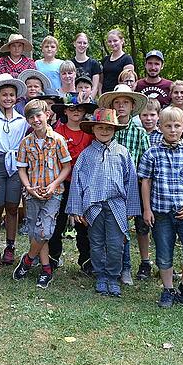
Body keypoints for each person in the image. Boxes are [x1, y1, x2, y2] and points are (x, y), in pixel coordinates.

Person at [137, 107, 183, 312]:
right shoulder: (152, 153)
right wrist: (147, 209)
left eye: (177, 126)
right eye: (168, 126)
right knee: (163, 254)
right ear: (160, 127)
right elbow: (146, 182)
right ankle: (168, 290)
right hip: (161, 213)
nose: (172, 130)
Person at [67, 108, 140, 296]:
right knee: (97, 242)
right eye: (100, 127)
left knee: (116, 243)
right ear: (93, 129)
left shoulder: (123, 153)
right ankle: (100, 275)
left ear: (115, 129)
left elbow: (131, 180)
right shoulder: (86, 154)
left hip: (116, 205)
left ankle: (113, 276)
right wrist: (76, 209)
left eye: (109, 128)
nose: (104, 131)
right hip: (93, 207)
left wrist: (131, 207)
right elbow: (76, 182)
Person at [13, 99, 72, 288]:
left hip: (52, 193)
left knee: (45, 231)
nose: (36, 120)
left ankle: (29, 259)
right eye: (31, 117)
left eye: (39, 115)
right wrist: (29, 187)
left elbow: (66, 166)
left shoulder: (57, 140)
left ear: (47, 115)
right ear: (28, 120)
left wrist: (54, 185)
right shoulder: (26, 143)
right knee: (35, 231)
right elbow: (22, 169)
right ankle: (46, 269)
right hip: (32, 193)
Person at [97, 85, 149, 283]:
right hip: (110, 187)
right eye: (117, 103)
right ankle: (113, 266)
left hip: (133, 186)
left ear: (132, 106)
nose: (121, 106)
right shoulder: (106, 129)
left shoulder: (139, 132)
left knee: (129, 227)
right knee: (113, 227)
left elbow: (146, 161)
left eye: (125, 102)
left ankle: (130, 265)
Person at [50, 96, 98, 275]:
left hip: (84, 184)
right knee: (57, 221)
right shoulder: (57, 131)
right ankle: (53, 257)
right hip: (62, 182)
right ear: (64, 111)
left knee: (83, 223)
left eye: (80, 108)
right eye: (71, 108)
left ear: (85, 111)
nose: (76, 111)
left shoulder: (91, 132)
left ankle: (86, 260)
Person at [0, 75, 28, 265]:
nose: (8, 98)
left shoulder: (22, 121)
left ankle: (10, 246)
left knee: (12, 207)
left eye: (11, 95)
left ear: (16, 97)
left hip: (16, 164)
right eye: (4, 95)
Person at [100, 29, 135, 94]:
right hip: (105, 95)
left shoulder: (127, 59)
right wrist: (100, 95)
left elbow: (128, 81)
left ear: (122, 41)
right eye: (109, 41)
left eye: (115, 41)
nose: (112, 44)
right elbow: (100, 81)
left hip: (119, 95)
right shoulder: (105, 60)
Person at [71, 33, 101, 98]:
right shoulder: (70, 64)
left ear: (87, 45)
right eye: (79, 42)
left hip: (89, 101)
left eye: (84, 43)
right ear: (74, 43)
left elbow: (95, 87)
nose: (82, 45)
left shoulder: (94, 64)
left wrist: (88, 101)